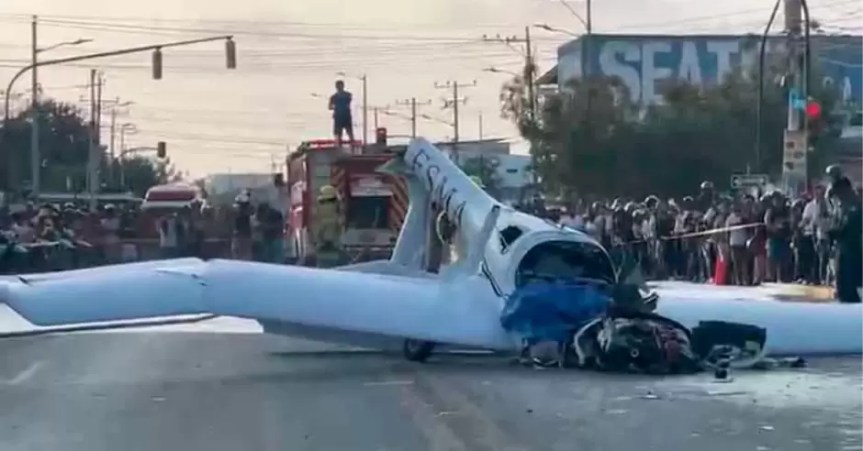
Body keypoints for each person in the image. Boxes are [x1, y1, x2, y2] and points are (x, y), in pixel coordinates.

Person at [329, 80, 354, 148]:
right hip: (342, 116)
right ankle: (347, 146)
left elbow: (330, 107)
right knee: (342, 133)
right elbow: (330, 107)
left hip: (342, 116)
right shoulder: (347, 95)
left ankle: (349, 146)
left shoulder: (334, 97)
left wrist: (336, 107)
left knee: (346, 133)